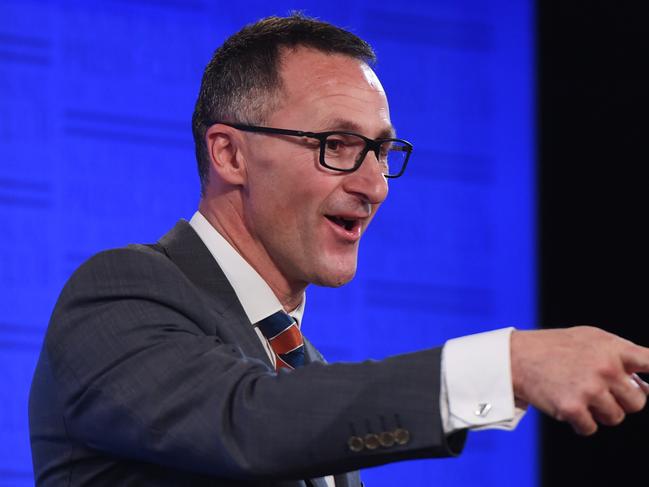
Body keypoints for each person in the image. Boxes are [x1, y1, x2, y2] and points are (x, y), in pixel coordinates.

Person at [28, 14, 649, 487]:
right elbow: (248, 422)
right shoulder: (118, 294)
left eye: (381, 150)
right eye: (336, 143)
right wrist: (505, 365)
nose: (374, 185)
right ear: (229, 154)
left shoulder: (303, 370)